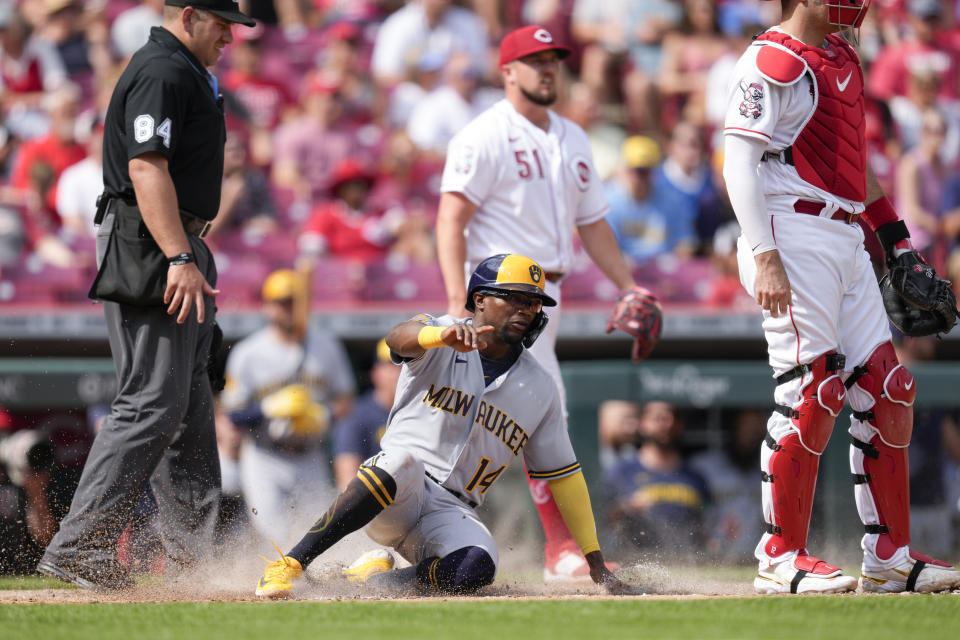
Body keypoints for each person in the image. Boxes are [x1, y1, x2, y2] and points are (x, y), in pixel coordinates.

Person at [722, 0, 960, 594]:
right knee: (812, 388)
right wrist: (763, 254)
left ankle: (889, 556)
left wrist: (896, 241)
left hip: (845, 231)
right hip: (788, 229)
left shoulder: (842, 56)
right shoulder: (772, 59)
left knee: (887, 387)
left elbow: (857, 168)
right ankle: (780, 556)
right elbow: (737, 164)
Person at [254, 254, 630, 598]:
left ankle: (371, 582)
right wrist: (439, 337)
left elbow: (564, 475)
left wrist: (594, 559)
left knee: (479, 566)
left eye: (533, 302)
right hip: (398, 490)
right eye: (513, 297)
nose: (526, 309)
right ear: (480, 299)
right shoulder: (440, 331)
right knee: (399, 462)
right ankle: (290, 564)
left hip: (454, 508)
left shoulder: (540, 385)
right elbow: (395, 338)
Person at [37, 0, 254, 590]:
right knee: (153, 402)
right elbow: (146, 167)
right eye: (223, 23)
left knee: (188, 407)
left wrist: (190, 252)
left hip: (176, 238)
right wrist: (180, 256)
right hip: (154, 241)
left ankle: (199, 561)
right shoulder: (162, 68)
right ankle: (80, 545)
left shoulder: (185, 69)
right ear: (188, 15)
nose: (232, 36)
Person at [437, 25, 645, 583]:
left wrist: (627, 284)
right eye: (534, 60)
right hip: (497, 300)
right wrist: (459, 301)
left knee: (513, 418)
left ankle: (556, 551)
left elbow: (594, 224)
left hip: (544, 299)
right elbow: (450, 220)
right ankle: (560, 552)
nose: (547, 68)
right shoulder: (483, 135)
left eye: (553, 59)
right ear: (508, 71)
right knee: (495, 417)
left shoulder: (573, 137)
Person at [220, 269, 355, 545]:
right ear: (268, 306)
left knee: (316, 537)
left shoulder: (326, 345)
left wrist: (324, 413)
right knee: (276, 538)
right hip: (265, 456)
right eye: (281, 302)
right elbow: (232, 415)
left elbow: (346, 400)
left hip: (311, 455)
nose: (289, 309)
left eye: (294, 301)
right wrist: (266, 408)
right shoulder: (249, 352)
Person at [602, 401, 709, 559]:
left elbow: (707, 522)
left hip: (689, 559)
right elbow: (602, 519)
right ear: (642, 423)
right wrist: (627, 507)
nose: (667, 423)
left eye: (673, 418)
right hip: (636, 558)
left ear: (680, 425)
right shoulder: (621, 471)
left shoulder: (695, 475)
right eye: (659, 418)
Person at [332, 339, 401, 489]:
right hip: (372, 502)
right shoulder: (357, 414)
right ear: (375, 373)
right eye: (390, 365)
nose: (398, 372)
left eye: (405, 366)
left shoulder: (422, 413)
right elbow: (346, 478)